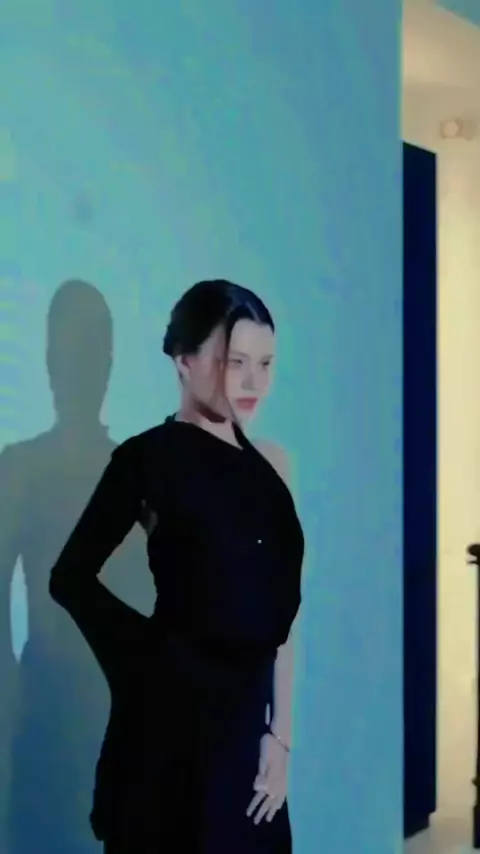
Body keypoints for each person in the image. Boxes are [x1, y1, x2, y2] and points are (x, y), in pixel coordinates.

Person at [49, 279, 305, 853]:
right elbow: (70, 578)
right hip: (167, 741)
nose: (253, 382)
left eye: (265, 363)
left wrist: (280, 737)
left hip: (248, 737)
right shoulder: (145, 460)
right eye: (234, 361)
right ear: (184, 361)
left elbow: (285, 617)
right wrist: (145, 661)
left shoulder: (274, 465)